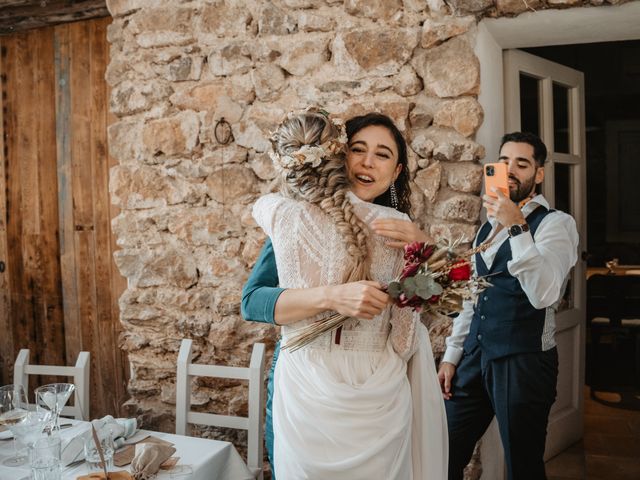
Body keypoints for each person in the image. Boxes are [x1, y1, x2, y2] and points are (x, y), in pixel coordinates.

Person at [250, 110, 447, 479]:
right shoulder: (296, 221)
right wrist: (332, 296)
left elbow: (411, 331)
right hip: (306, 388)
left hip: (379, 395)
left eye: (383, 154)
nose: (368, 162)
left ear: (397, 171)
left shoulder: (403, 231)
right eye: (358, 149)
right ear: (340, 155)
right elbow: (254, 301)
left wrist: (426, 252)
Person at [437, 132, 579, 480]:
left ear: (538, 174)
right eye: (504, 161)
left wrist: (517, 224)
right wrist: (453, 355)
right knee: (444, 451)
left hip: (524, 361)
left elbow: (544, 294)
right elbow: (474, 295)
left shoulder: (557, 224)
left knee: (523, 464)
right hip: (475, 358)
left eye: (522, 163)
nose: (510, 169)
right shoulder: (486, 227)